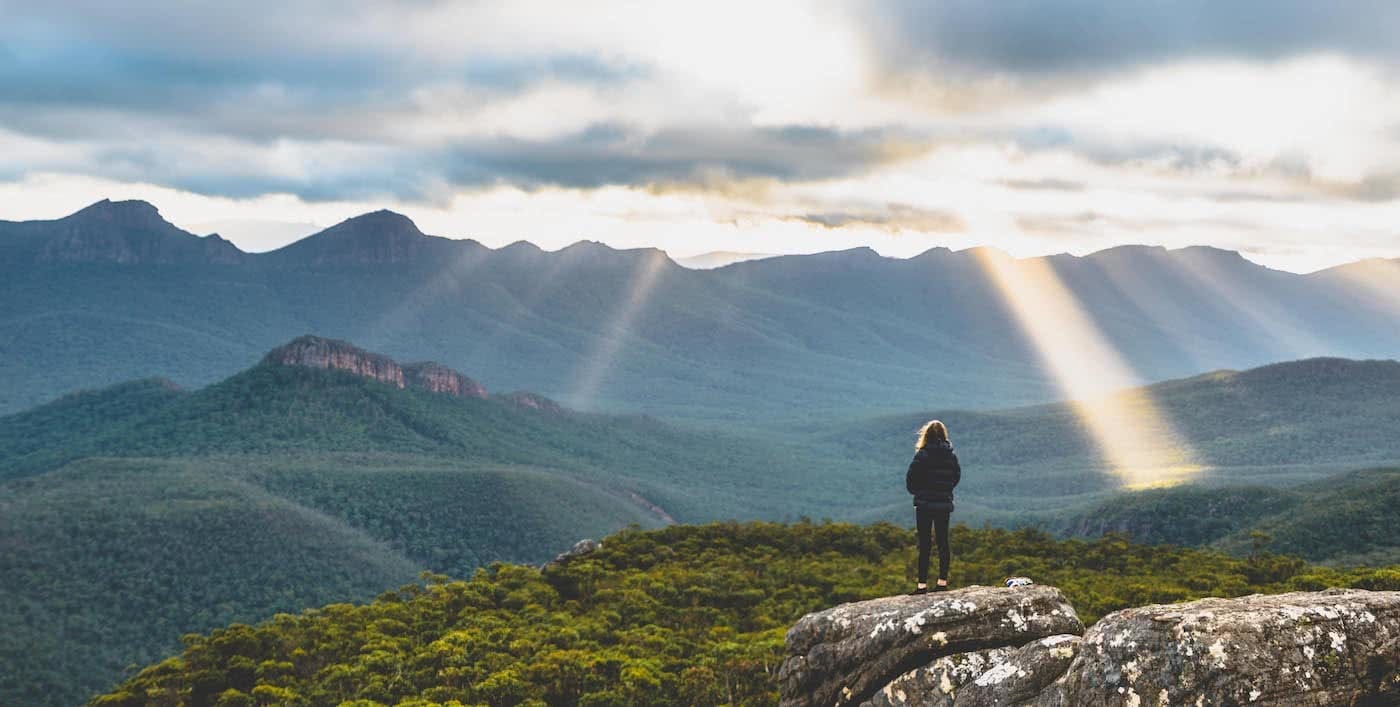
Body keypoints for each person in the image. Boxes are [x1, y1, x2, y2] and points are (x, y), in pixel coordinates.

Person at [905, 420, 960, 594]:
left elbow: (910, 479)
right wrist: (945, 490)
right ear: (944, 435)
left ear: (926, 435)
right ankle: (942, 583)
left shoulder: (922, 455)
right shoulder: (950, 456)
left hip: (924, 504)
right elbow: (956, 476)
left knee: (925, 544)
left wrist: (919, 493)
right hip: (943, 503)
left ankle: (922, 586)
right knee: (943, 543)